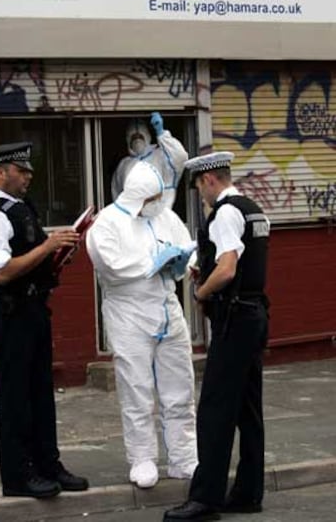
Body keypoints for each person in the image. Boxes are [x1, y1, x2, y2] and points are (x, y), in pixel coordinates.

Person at [0, 141, 89, 499]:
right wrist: (47, 247)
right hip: (9, 312)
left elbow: (30, 258)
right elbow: (2, 272)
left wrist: (58, 253)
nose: (29, 176)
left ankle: (48, 465)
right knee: (16, 396)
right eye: (22, 170)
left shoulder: (19, 207)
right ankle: (18, 476)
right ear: (0, 172)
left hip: (33, 309)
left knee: (39, 393)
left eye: (30, 170)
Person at [163, 152, 270, 522]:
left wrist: (201, 292)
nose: (199, 194)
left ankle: (205, 499)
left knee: (215, 411)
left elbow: (226, 270)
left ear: (209, 180)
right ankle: (247, 492)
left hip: (234, 319)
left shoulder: (225, 212)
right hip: (254, 314)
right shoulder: (253, 207)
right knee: (248, 408)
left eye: (197, 186)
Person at [86, 161, 198, 489]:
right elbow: (111, 265)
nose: (156, 205)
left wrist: (182, 262)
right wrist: (153, 263)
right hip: (128, 312)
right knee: (136, 388)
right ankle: (142, 457)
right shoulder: (107, 224)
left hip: (166, 306)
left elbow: (186, 247)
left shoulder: (164, 215)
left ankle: (184, 456)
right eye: (150, 200)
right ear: (137, 197)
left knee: (180, 386)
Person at [111, 112, 188, 208]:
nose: (137, 140)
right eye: (133, 137)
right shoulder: (123, 165)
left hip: (161, 218)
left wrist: (162, 134)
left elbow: (180, 157)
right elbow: (117, 197)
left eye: (140, 136)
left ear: (148, 136)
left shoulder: (161, 155)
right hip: (133, 220)